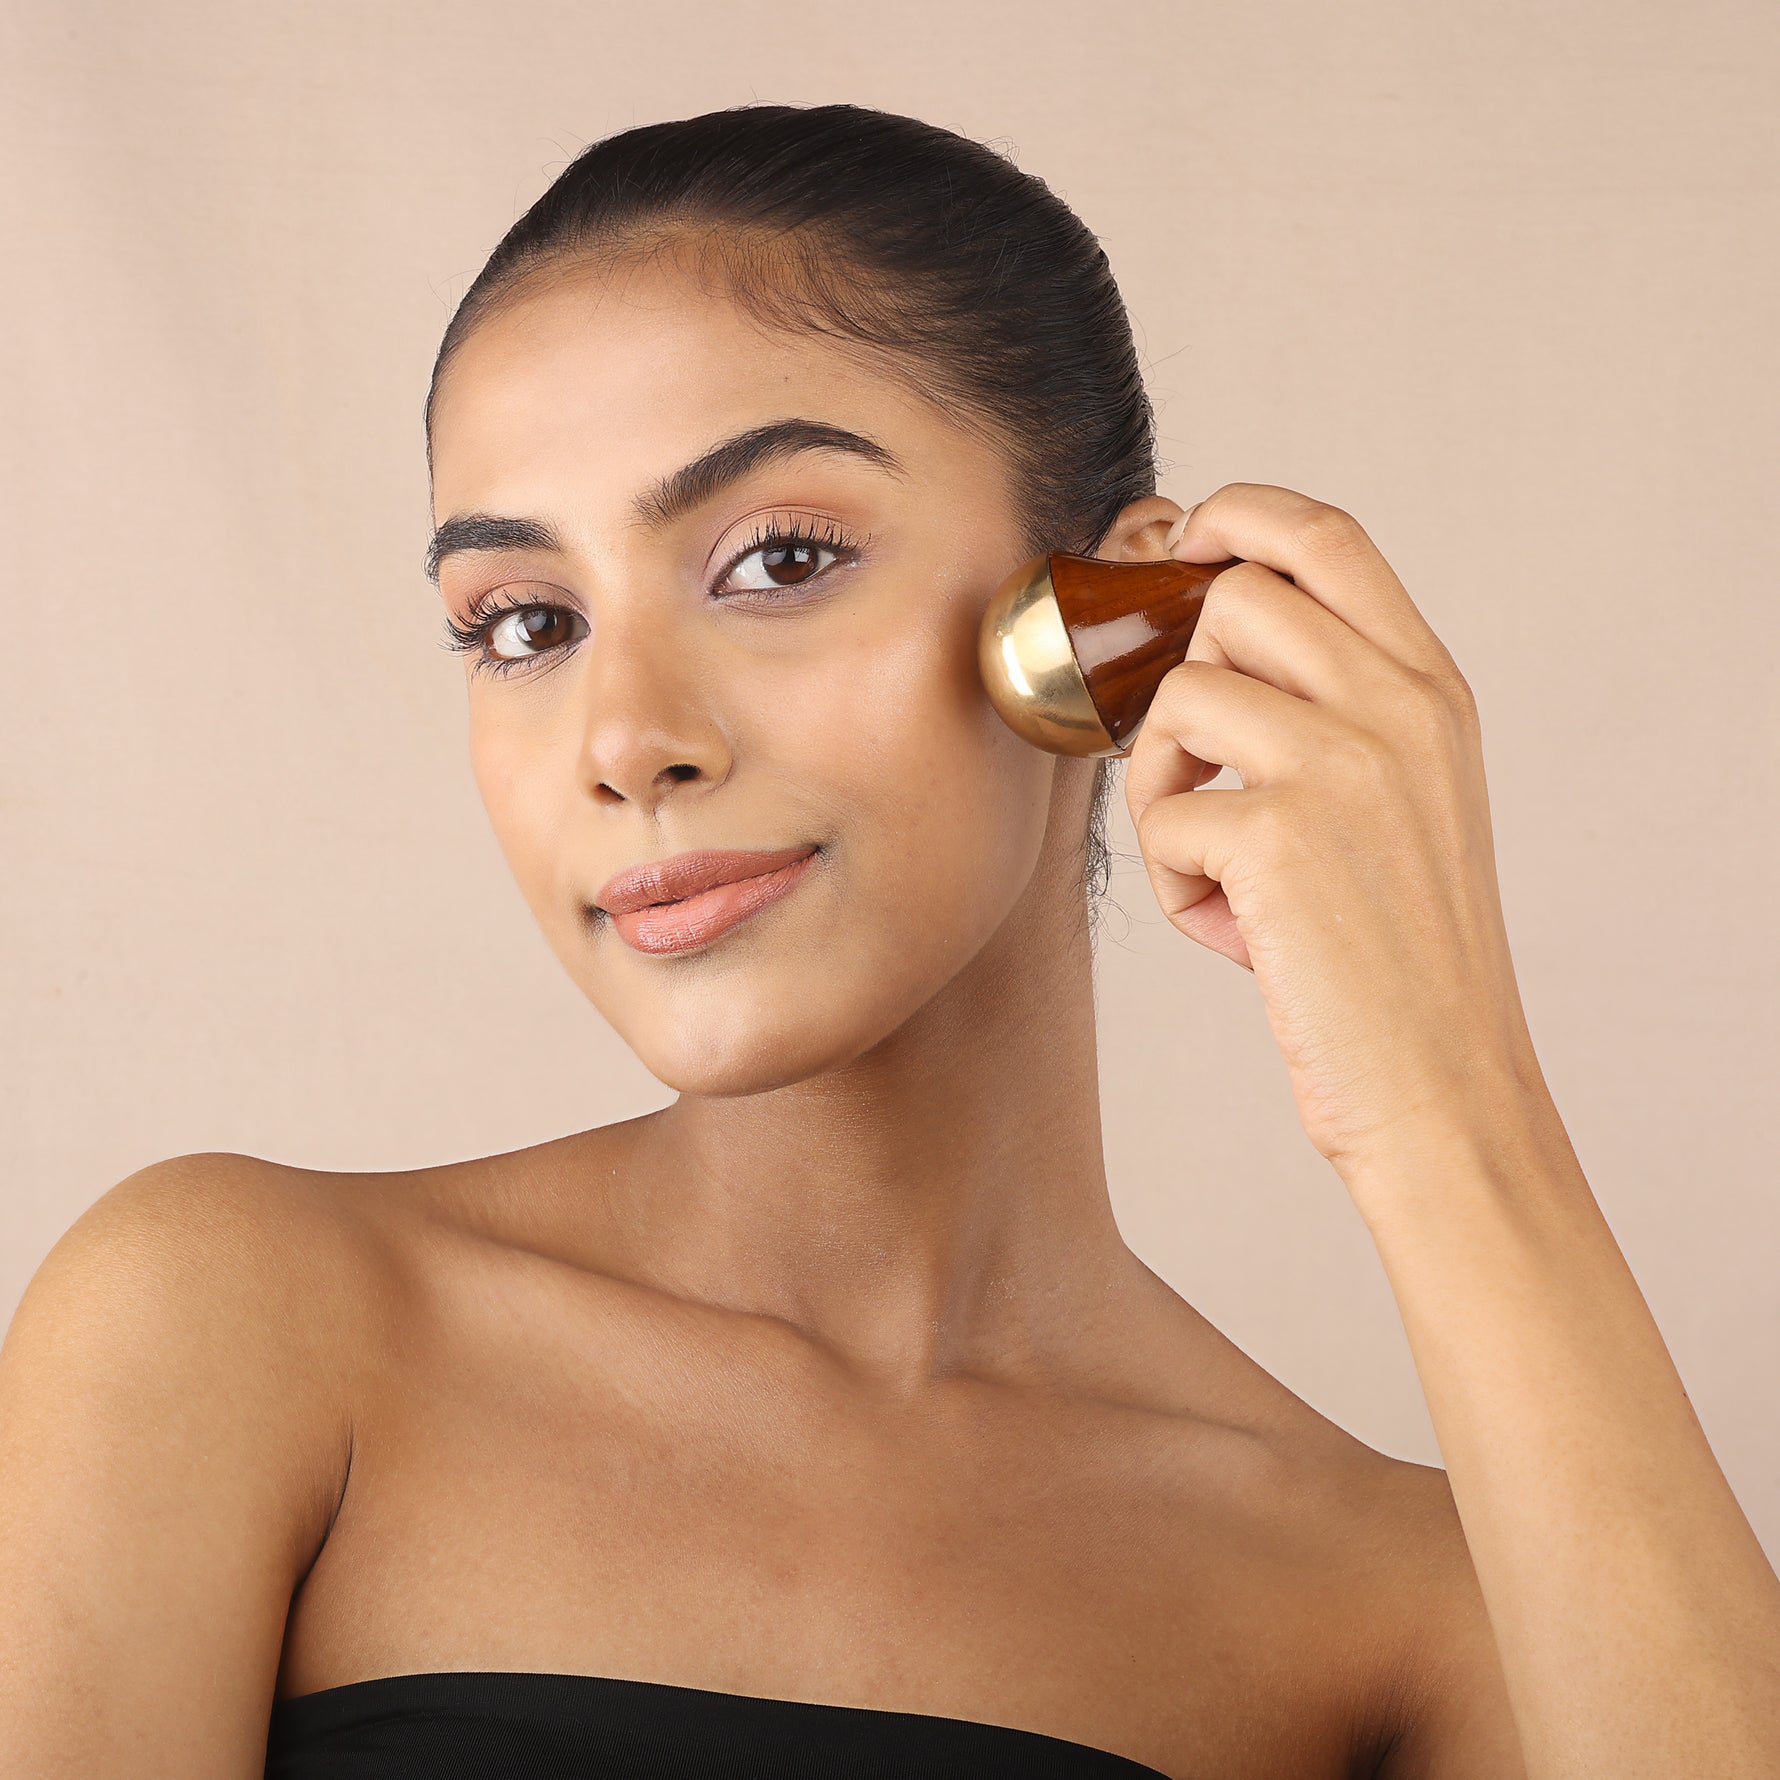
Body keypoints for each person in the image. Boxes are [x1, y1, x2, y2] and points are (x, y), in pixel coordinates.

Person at [1, 102, 1775, 1780]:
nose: (625, 738)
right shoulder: (233, 1323)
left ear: (1119, 624)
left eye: (778, 560)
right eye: (525, 622)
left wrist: (1446, 1103)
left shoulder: (1410, 1604)